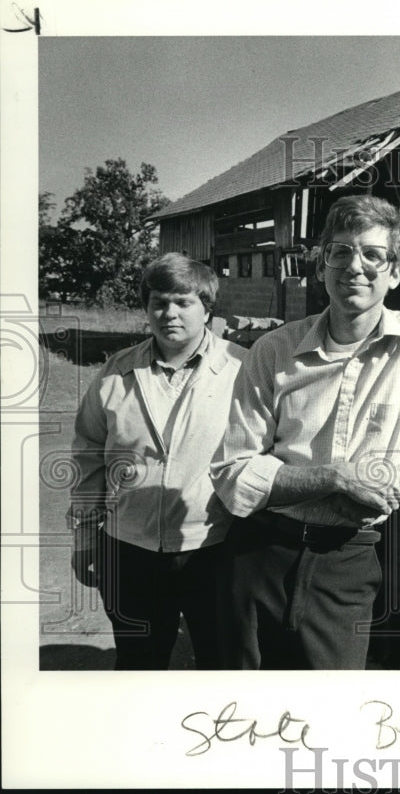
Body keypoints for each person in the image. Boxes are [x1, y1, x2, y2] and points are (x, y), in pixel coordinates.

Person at [210, 195, 400, 670]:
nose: (355, 266)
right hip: (259, 552)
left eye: (374, 255)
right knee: (241, 706)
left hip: (350, 559)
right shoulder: (273, 350)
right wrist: (338, 476)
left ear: (395, 272)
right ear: (321, 267)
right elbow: (233, 472)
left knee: (330, 707)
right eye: (340, 252)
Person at [68, 253, 246, 669]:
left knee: (220, 664)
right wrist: (84, 535)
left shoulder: (243, 368)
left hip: (214, 547)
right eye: (158, 302)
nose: (169, 313)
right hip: (129, 549)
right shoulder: (116, 372)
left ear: (207, 308)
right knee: (138, 664)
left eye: (183, 302)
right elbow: (88, 454)